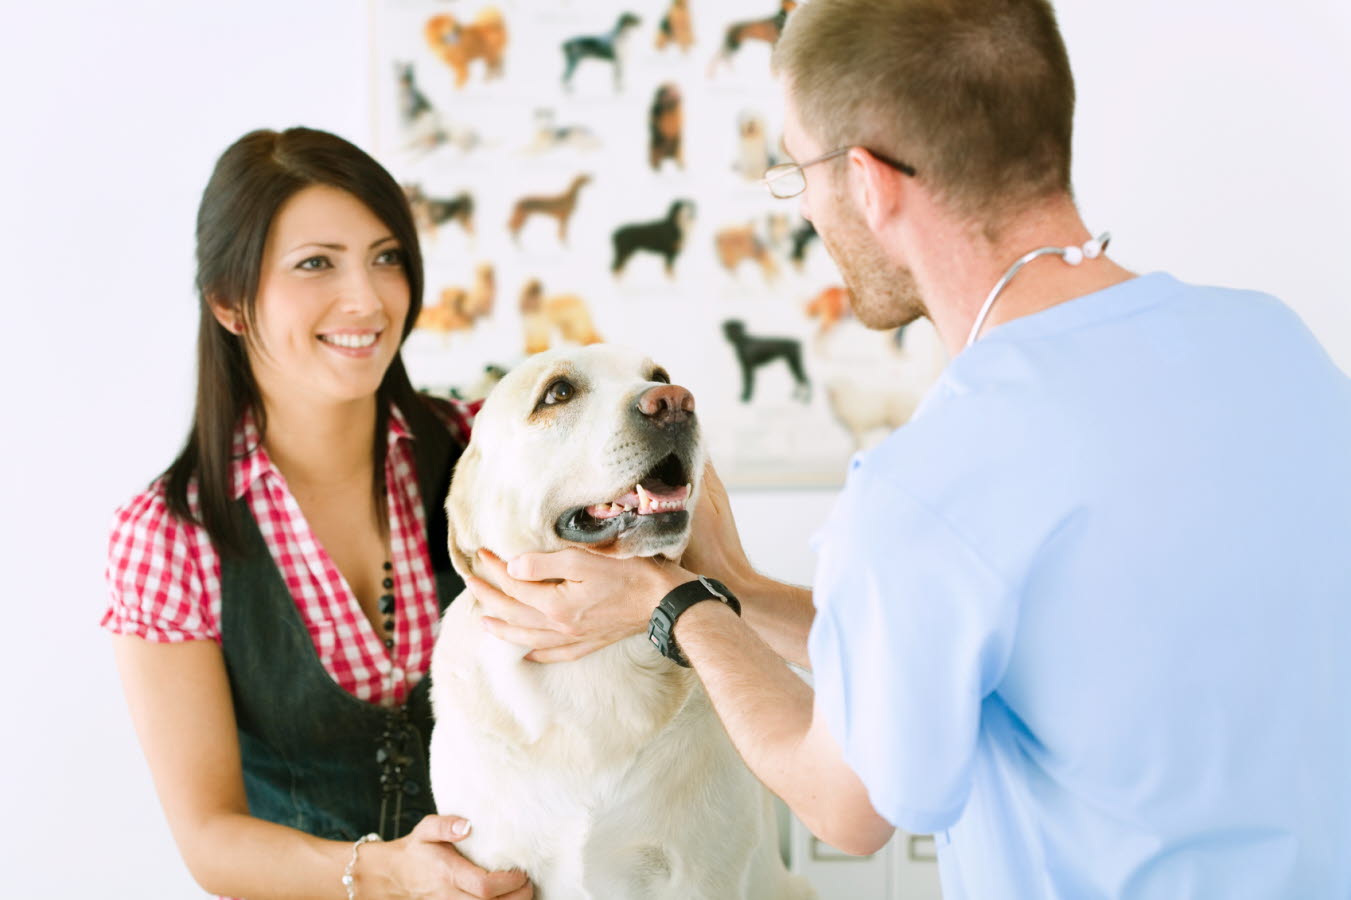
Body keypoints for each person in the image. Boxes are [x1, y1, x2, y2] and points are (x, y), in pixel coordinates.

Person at [464, 0, 1351, 897]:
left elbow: (844, 803)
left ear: (868, 180)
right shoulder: (1273, 343)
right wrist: (740, 591)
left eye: (796, 171)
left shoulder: (931, 479)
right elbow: (976, 647)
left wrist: (673, 601)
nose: (804, 204)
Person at [103, 127, 532, 900]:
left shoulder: (487, 449)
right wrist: (387, 872)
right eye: (315, 264)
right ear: (231, 303)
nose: (367, 299)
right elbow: (211, 839)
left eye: (386, 256)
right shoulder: (172, 536)